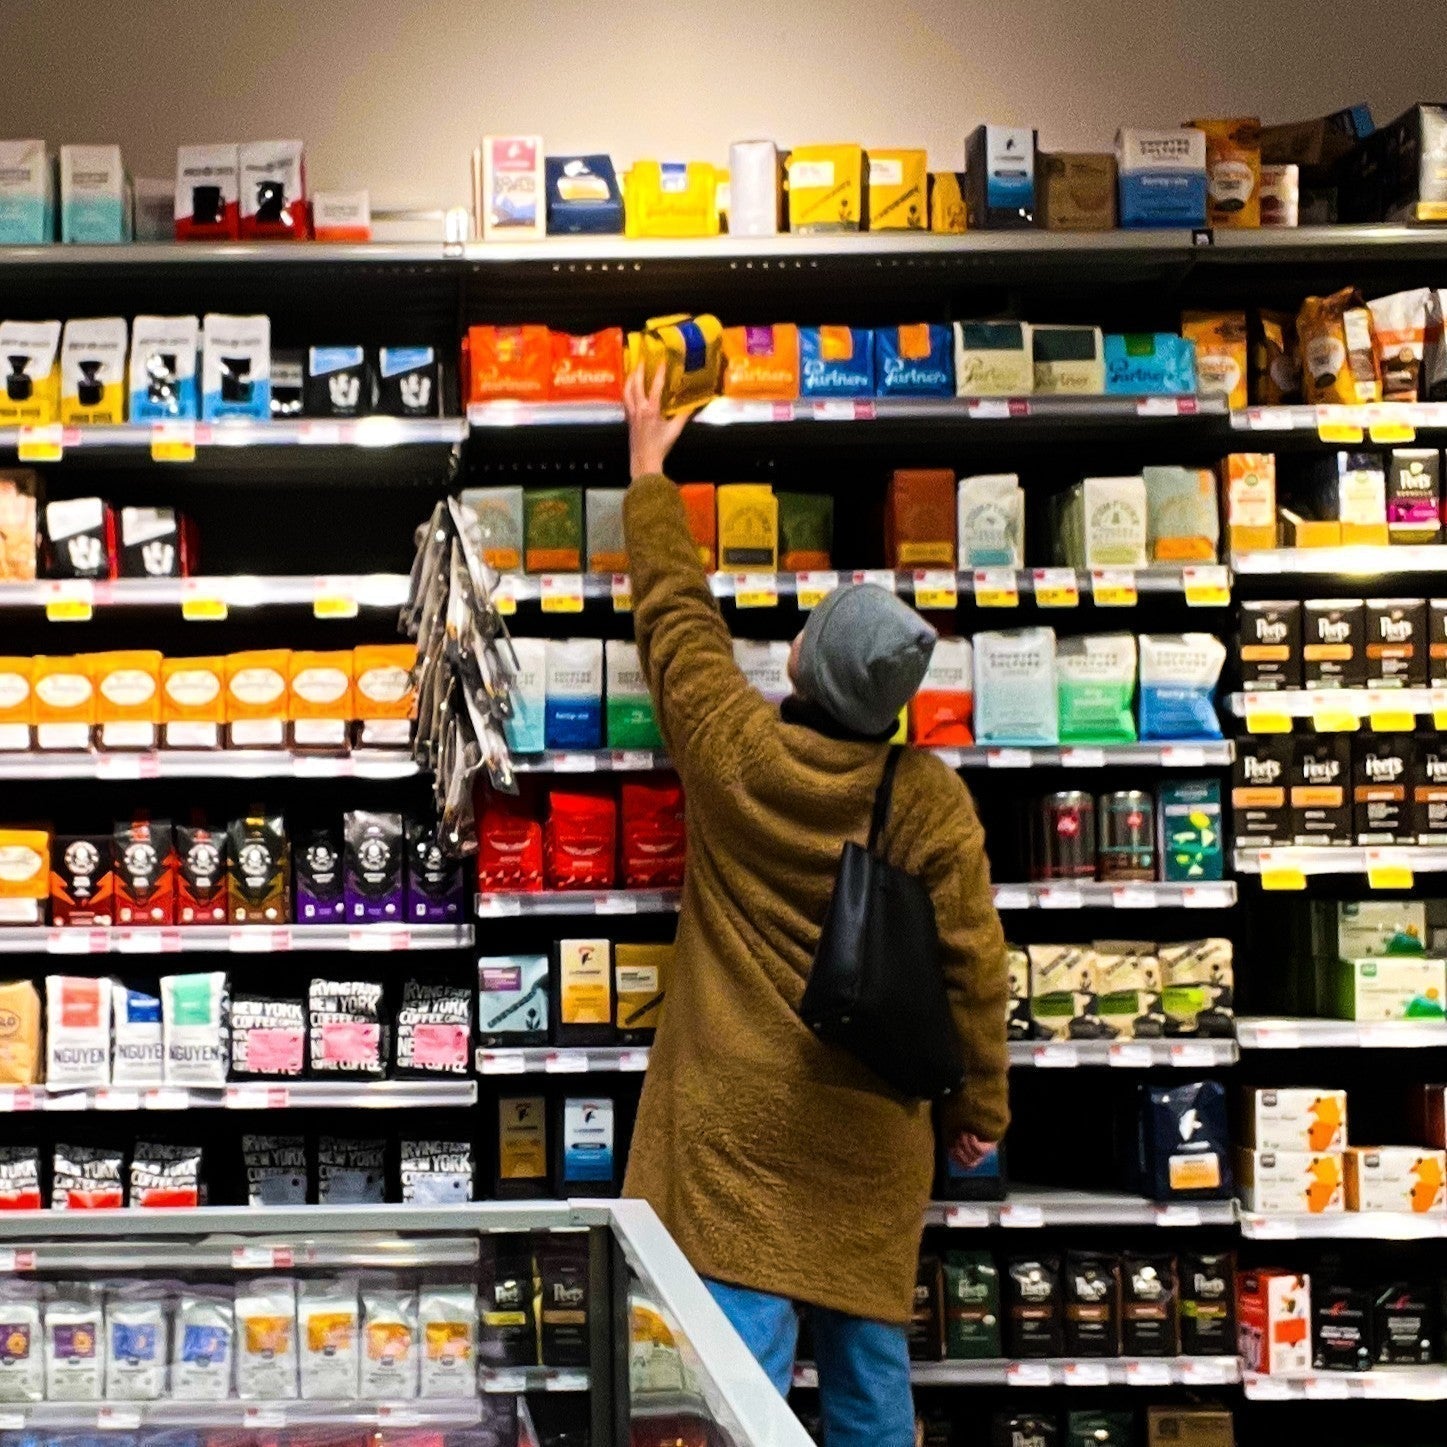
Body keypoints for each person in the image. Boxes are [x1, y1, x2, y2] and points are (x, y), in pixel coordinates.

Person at [620, 365, 1009, 1447]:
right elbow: (975, 967)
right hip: (866, 1142)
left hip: (735, 1143)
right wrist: (979, 1107)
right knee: (870, 1391)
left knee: (736, 1395)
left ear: (802, 662)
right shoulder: (927, 800)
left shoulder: (735, 752)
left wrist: (649, 472)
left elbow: (676, 622)